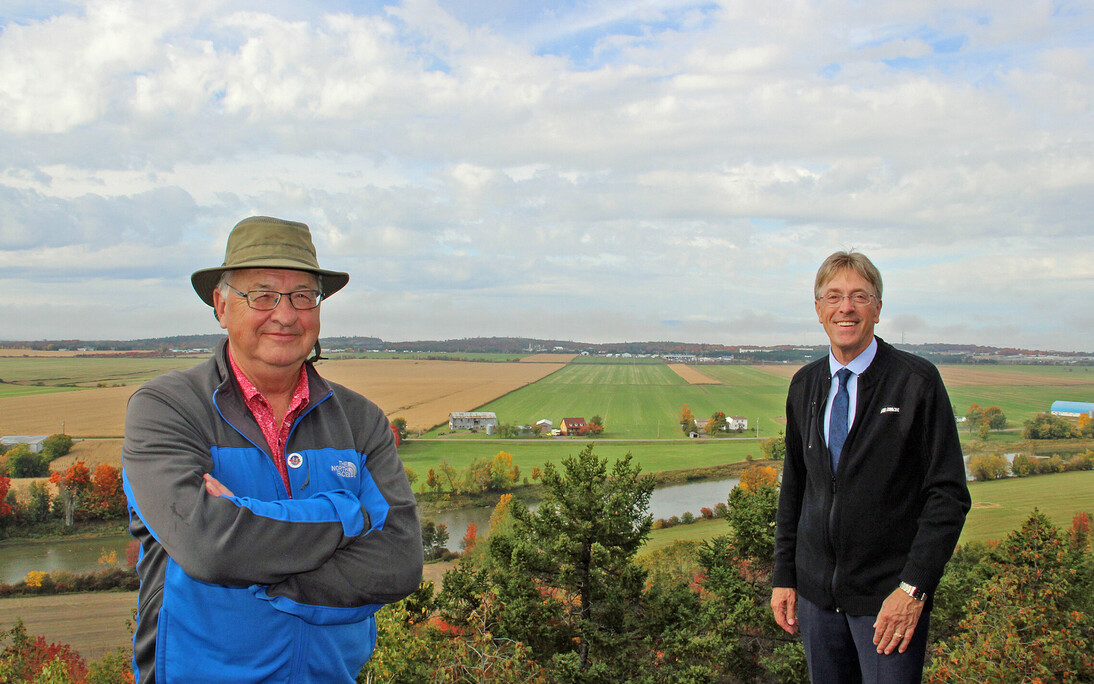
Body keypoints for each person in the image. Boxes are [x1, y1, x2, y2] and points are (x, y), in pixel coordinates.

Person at [122, 216, 423, 683]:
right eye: (262, 295)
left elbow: (399, 563)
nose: (285, 315)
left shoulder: (360, 420)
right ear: (221, 306)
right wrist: (348, 515)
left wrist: (255, 562)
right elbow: (210, 547)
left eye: (303, 296)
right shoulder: (167, 408)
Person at [771, 250, 970, 683]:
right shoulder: (804, 385)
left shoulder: (916, 382)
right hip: (817, 603)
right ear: (819, 310)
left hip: (888, 605)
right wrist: (784, 576)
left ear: (877, 309)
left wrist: (913, 589)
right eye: (834, 297)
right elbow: (795, 487)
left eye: (859, 296)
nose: (846, 307)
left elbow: (948, 495)